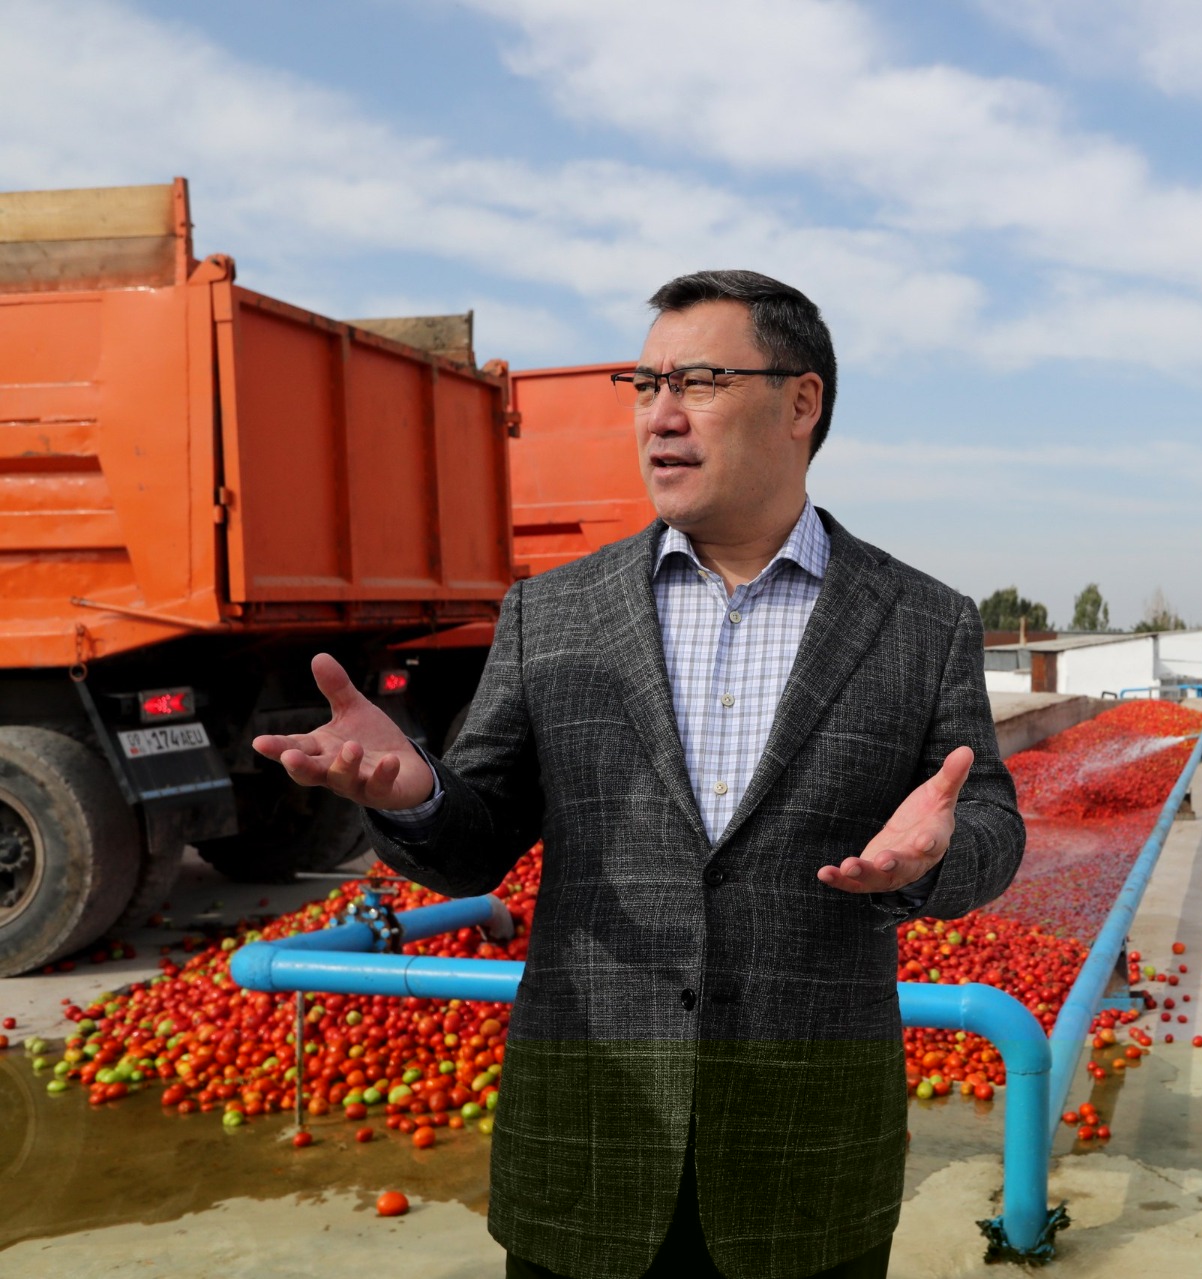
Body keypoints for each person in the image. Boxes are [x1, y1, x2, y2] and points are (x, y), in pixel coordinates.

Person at [252, 269, 1025, 1279]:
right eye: (644, 384)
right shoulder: (554, 613)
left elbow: (991, 819)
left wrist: (938, 856)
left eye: (698, 382)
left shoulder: (921, 622)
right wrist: (419, 795)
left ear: (801, 402)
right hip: (589, 1140)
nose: (659, 415)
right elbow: (478, 841)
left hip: (809, 1154)